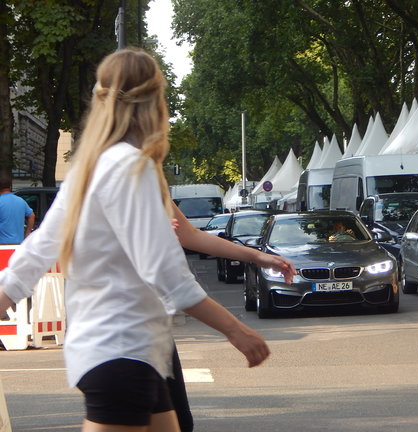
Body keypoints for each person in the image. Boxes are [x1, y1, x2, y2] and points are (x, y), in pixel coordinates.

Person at [0, 48, 294, 432]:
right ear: (154, 101)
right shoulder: (131, 168)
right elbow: (166, 273)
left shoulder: (93, 166)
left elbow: (40, 247)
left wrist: (4, 294)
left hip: (125, 350)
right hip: (123, 350)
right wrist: (236, 330)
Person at [167, 203, 295, 432]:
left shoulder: (148, 180)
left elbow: (190, 235)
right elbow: (178, 285)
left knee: (177, 423)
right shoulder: (130, 177)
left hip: (149, 336)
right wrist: (235, 330)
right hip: (121, 337)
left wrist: (256, 256)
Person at [0, 177, 35, 244]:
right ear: (10, 187)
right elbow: (32, 216)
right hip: (18, 244)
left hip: (2, 244)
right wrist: (27, 234)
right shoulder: (21, 201)